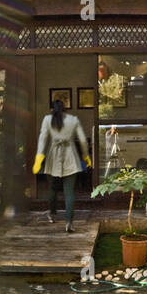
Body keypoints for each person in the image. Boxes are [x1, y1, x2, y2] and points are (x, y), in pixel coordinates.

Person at [33, 95, 92, 231]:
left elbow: (42, 138)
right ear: (65, 109)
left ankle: (52, 214)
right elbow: (83, 140)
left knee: (52, 188)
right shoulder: (73, 119)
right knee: (69, 191)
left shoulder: (47, 119)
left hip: (53, 155)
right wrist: (86, 156)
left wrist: (39, 157)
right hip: (70, 155)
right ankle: (68, 222)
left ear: (52, 108)